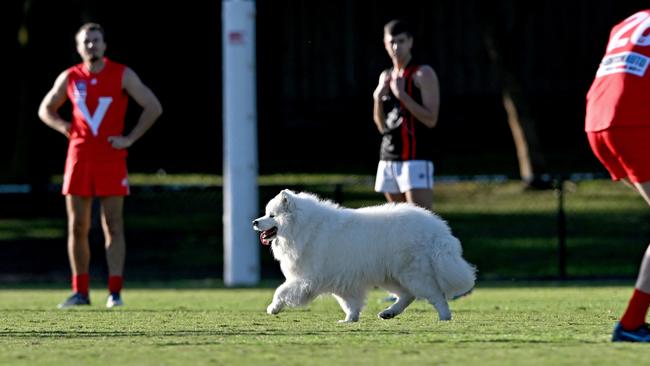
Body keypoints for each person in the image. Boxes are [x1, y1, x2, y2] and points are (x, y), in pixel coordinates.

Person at [38, 23, 163, 309]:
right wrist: (63, 126)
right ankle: (80, 292)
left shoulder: (122, 74)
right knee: (78, 226)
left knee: (113, 225)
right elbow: (45, 109)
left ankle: (115, 292)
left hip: (110, 159)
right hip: (79, 158)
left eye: (96, 41)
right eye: (86, 42)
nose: (91, 46)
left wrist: (129, 138)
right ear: (79, 47)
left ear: (105, 45)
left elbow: (153, 106)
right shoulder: (70, 77)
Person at [585, 9, 650, 342]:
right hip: (632, 121)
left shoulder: (627, 21)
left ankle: (633, 323)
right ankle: (631, 324)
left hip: (597, 120)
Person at [372, 19, 440, 210]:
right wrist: (377, 98)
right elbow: (382, 127)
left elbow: (431, 119)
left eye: (401, 41)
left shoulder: (423, 74)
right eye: (391, 42)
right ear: (385, 44)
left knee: (422, 226)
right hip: (388, 158)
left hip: (415, 158)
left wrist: (402, 95)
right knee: (399, 227)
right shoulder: (385, 76)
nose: (396, 47)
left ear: (410, 42)